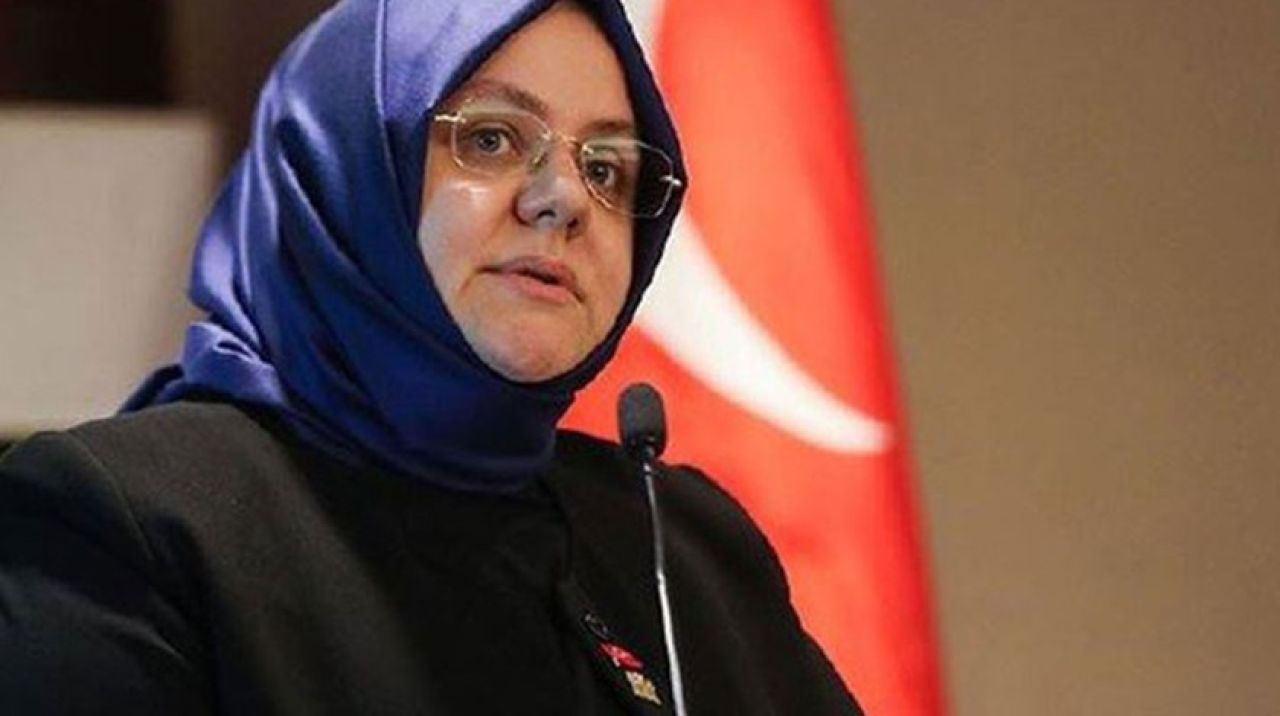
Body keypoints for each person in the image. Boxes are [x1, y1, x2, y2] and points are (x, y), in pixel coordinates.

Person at [0, 1, 863, 713]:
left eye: (607, 169)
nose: (565, 199)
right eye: (490, 139)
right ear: (344, 167)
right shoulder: (123, 524)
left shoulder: (685, 544)